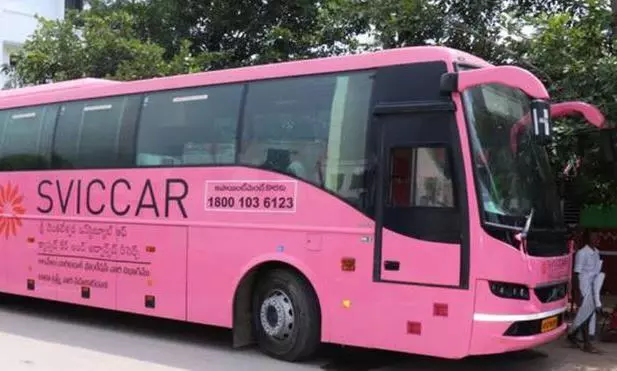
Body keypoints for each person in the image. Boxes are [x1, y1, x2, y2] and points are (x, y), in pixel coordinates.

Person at [567, 229, 606, 353]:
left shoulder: (596, 252)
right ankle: (587, 344)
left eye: (597, 237)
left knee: (586, 313)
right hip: (583, 287)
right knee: (587, 314)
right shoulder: (582, 253)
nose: (596, 240)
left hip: (593, 286)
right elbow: (576, 274)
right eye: (593, 237)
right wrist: (577, 293)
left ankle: (572, 335)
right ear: (587, 239)